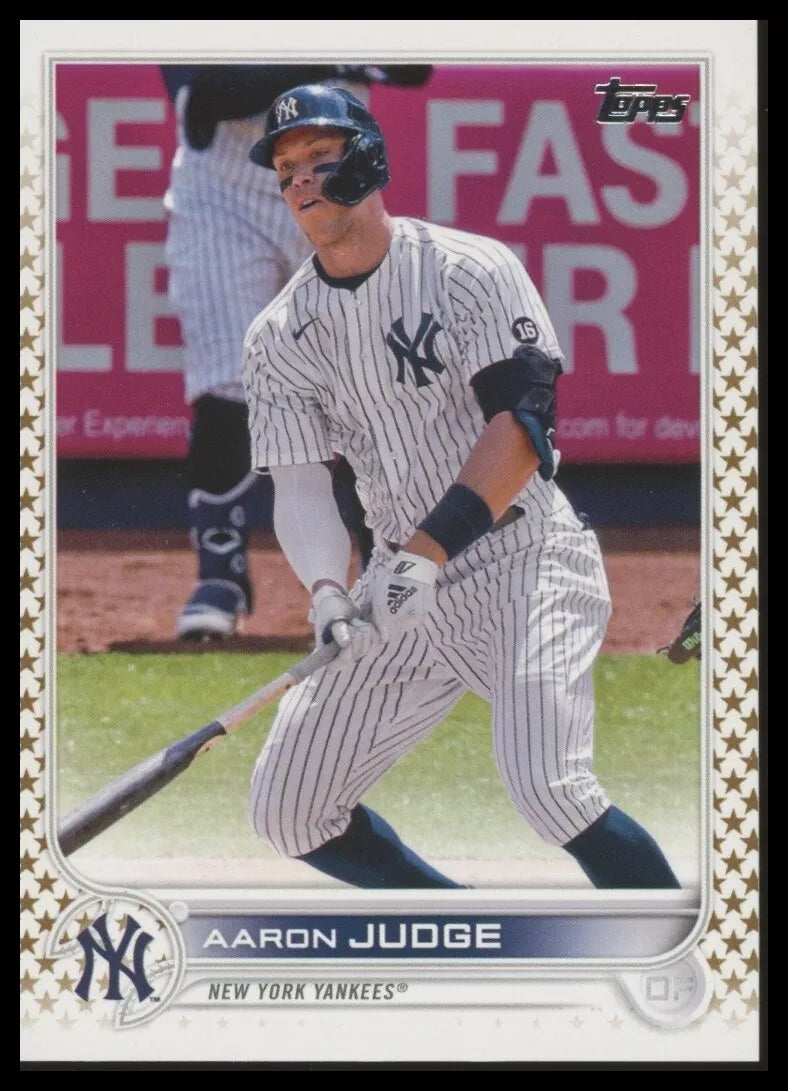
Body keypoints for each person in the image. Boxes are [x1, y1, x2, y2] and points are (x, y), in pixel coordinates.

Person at [242, 84, 681, 890]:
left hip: (523, 558)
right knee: (289, 809)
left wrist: (426, 553)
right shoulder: (278, 336)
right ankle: (466, 928)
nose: (300, 179)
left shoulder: (468, 269)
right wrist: (329, 592)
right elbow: (301, 485)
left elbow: (522, 429)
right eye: (285, 168)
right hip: (397, 585)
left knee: (551, 790)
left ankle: (685, 945)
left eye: (319, 156)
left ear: (367, 158)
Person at [161, 64, 431, 640]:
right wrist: (335, 51)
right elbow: (209, 95)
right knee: (230, 379)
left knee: (366, 381)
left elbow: (416, 65)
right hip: (225, 197)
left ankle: (382, 571)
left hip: (339, 186)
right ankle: (221, 576)